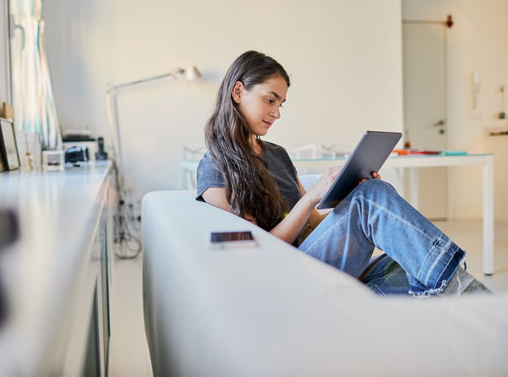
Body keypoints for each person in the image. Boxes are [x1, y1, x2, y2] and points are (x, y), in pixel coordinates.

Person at [196, 50, 489, 296]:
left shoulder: (277, 155)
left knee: (413, 256)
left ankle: (365, 304)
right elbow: (259, 249)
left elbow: (310, 224)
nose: (277, 112)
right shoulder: (215, 169)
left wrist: (352, 199)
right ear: (238, 92)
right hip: (284, 275)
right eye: (270, 99)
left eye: (281, 103)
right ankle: (473, 298)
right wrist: (313, 197)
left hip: (314, 261)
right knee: (384, 215)